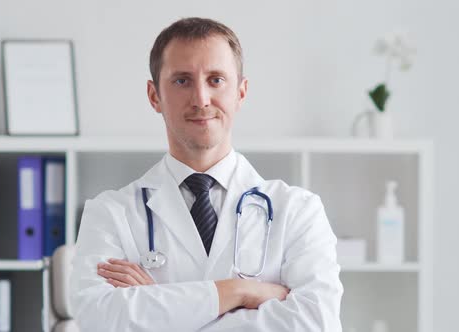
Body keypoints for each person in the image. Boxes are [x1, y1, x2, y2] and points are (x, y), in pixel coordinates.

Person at [70, 17, 343, 331]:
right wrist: (237, 292)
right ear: (154, 95)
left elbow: (315, 322)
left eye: (215, 80)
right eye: (182, 80)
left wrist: (157, 304)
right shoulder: (109, 214)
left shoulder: (298, 211)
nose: (201, 99)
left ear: (241, 92)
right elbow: (97, 319)